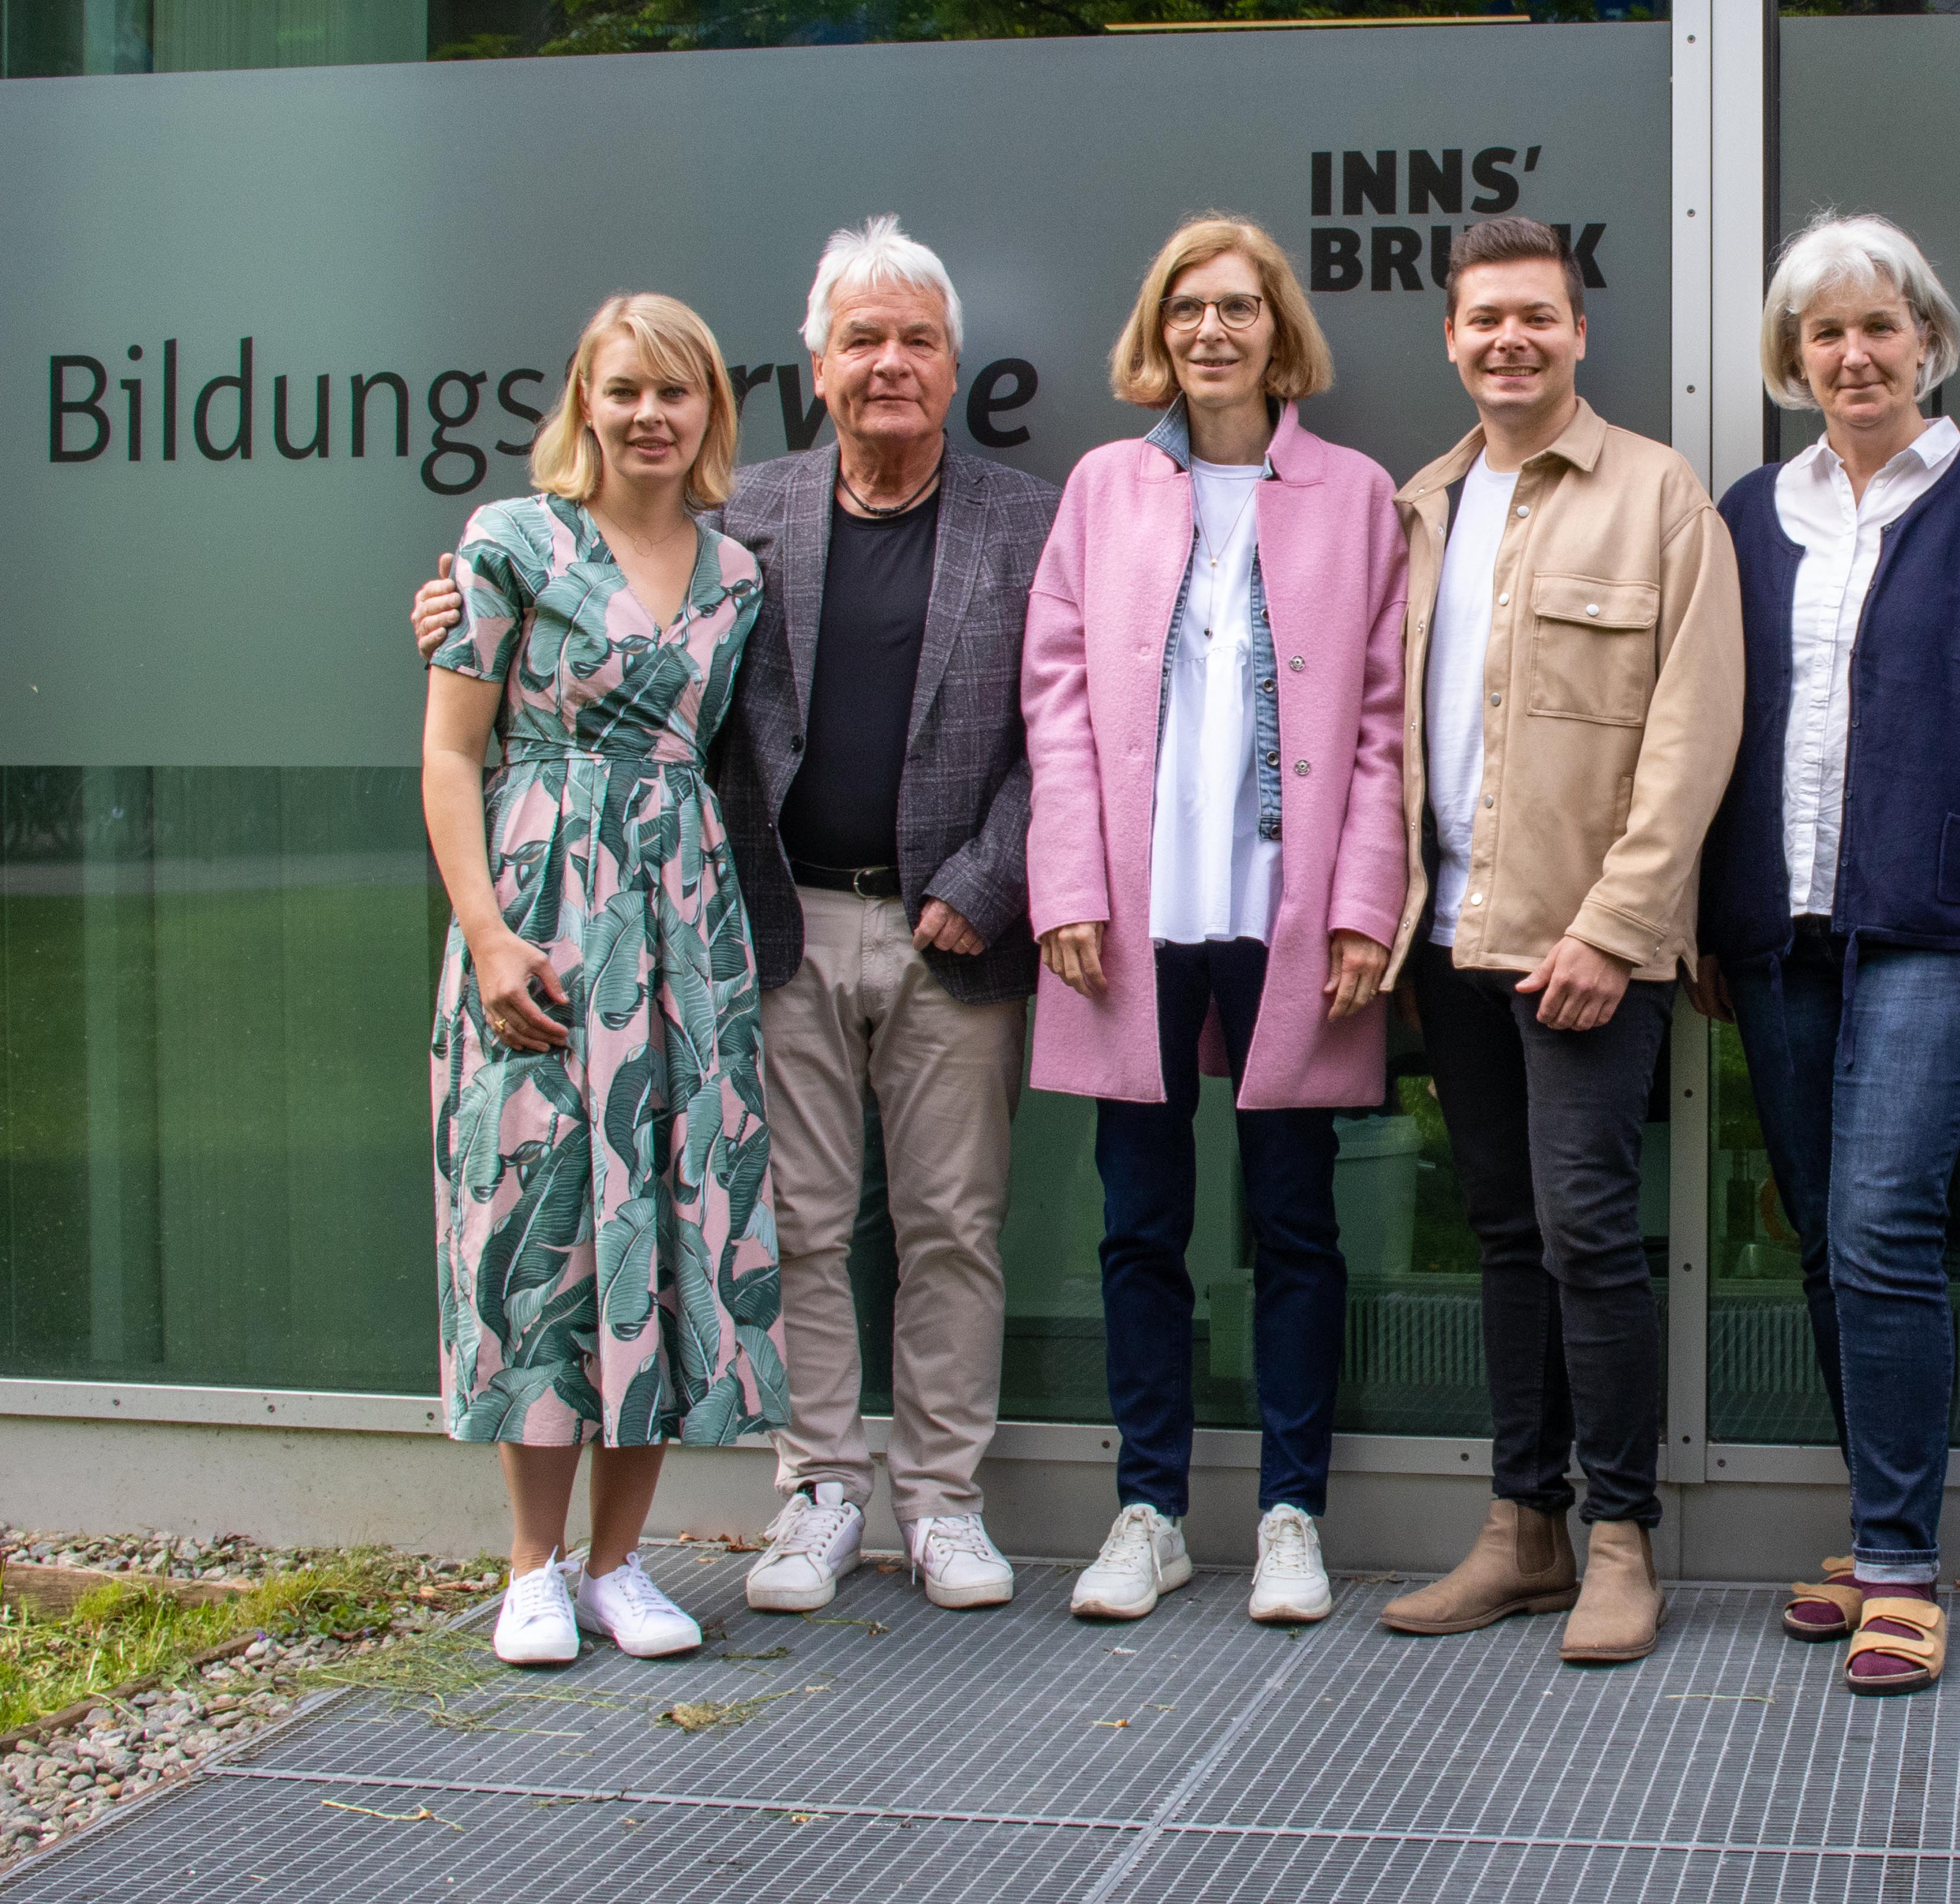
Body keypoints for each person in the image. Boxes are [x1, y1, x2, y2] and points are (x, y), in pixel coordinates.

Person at [417, 218, 1060, 1619]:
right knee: (799, 1223)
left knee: (954, 1223)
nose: (889, 363)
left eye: (917, 340)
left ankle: (945, 1498)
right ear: (814, 366)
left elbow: (1062, 728)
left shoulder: (1030, 518)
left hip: (955, 927)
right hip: (767, 927)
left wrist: (989, 878)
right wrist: (454, 613)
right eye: (861, 339)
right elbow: (586, 632)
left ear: (953, 365)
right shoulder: (745, 519)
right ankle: (819, 1489)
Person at [1693, 212, 1960, 1696]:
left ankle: (1907, 1564)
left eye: (1880, 325)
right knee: (1820, 1235)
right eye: (1825, 333)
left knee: (1880, 1223)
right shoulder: (1749, 512)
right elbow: (1705, 726)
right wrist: (1697, 911)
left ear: (1927, 334)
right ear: (1793, 359)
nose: (1855, 354)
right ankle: (1874, 1531)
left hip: (1936, 926)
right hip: (1774, 925)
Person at [1020, 214, 1408, 1627]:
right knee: (1141, 1221)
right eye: (1187, 307)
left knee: (1297, 1222)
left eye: (1240, 307)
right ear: (1158, 329)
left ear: (1279, 328)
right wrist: (1063, 878)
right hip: (1134, 913)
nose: (1212, 331)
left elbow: (1381, 724)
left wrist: (1367, 902)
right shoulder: (1104, 489)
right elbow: (1053, 699)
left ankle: (1294, 1509)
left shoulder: (1356, 493)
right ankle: (1151, 1507)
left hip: (1285, 917)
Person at [1376, 216, 1741, 1666]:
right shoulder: (1424, 505)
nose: (1510, 339)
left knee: (1592, 1232)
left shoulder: (1659, 496)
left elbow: (1693, 733)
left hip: (1586, 942)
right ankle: (1519, 1525)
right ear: (1452, 340)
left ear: (1580, 333)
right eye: (1485, 319)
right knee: (1506, 1232)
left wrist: (1618, 925)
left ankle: (1619, 1536)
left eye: (1538, 315)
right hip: (1453, 936)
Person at [423, 293, 779, 1670]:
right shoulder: (511, 540)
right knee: (544, 1219)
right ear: (585, 398)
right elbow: (453, 751)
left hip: (686, 934)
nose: (649, 414)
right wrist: (489, 932)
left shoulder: (738, 571)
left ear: (708, 412)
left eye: (674, 393)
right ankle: (530, 1566)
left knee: (669, 1225)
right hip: (540, 919)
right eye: (623, 389)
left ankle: (624, 1562)